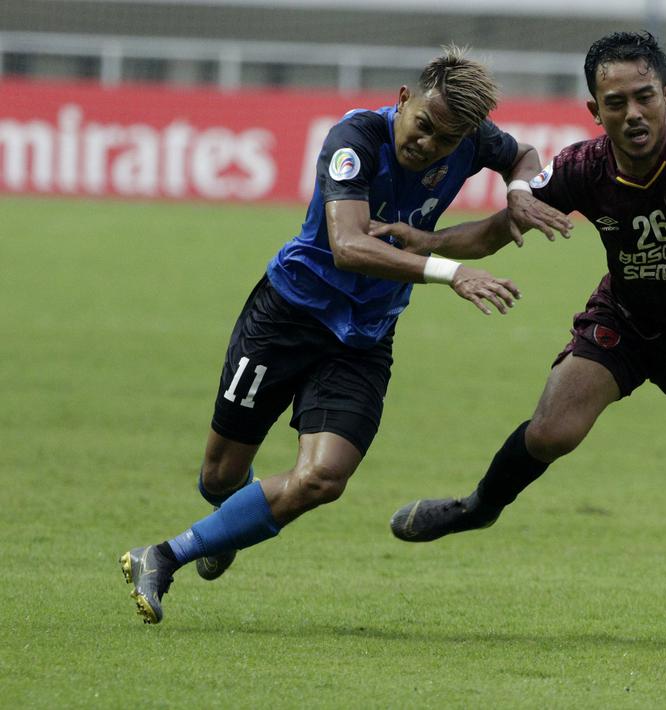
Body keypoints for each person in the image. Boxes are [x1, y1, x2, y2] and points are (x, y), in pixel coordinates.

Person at [389, 31, 666, 643]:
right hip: (626, 323)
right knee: (552, 431)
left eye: (645, 97)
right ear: (596, 110)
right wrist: (429, 243)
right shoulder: (582, 168)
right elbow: (498, 229)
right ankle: (478, 507)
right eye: (615, 103)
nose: (633, 113)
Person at [119, 45, 573, 624]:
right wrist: (451, 271)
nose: (429, 144)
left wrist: (518, 193)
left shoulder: (471, 137)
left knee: (324, 478)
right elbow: (349, 246)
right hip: (288, 317)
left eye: (446, 140)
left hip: (364, 338)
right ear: (403, 99)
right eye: (423, 126)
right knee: (220, 477)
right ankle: (224, 525)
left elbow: (525, 155)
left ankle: (163, 556)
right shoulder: (354, 139)